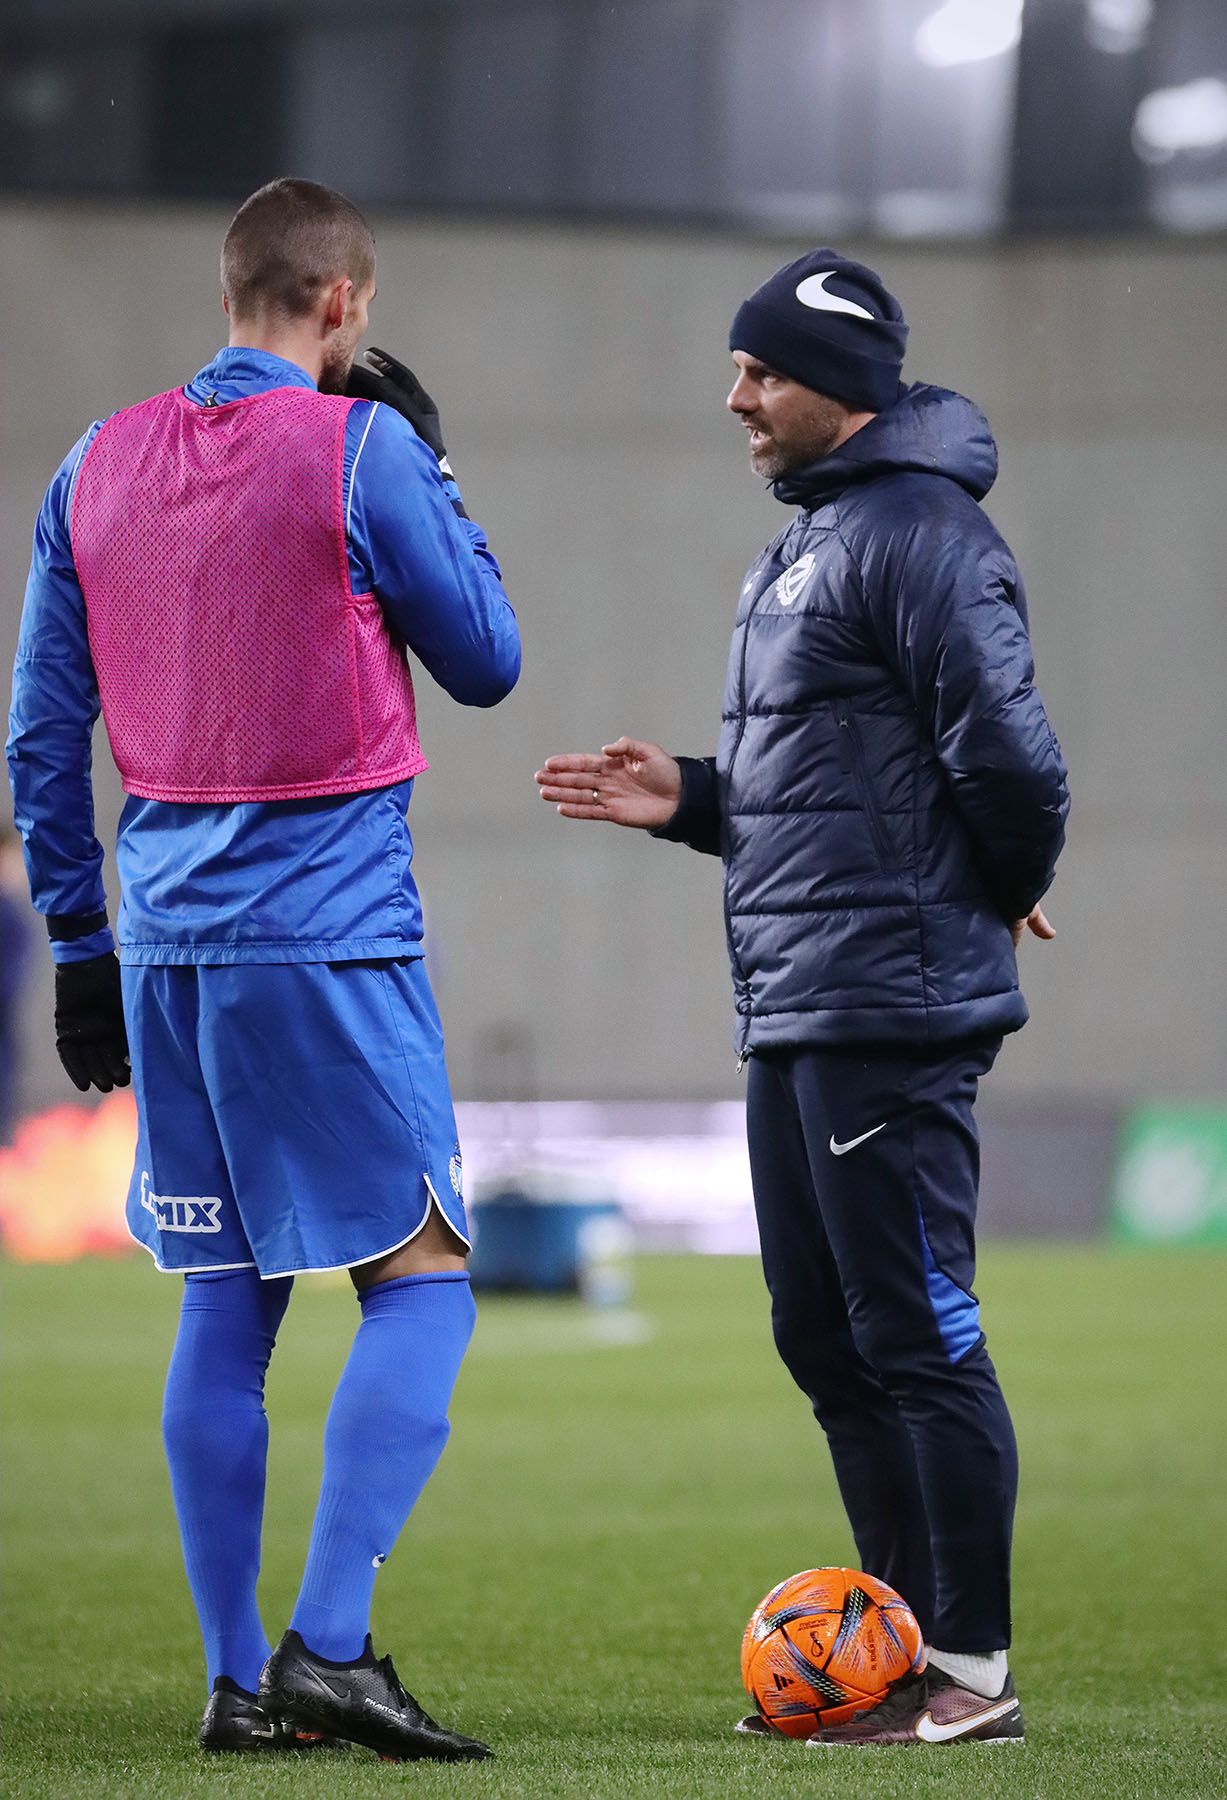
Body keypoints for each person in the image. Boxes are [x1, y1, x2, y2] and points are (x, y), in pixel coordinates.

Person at [7, 177, 520, 1761]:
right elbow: (488, 660)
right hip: (329, 937)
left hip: (165, 948)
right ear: (344, 303)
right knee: (422, 1279)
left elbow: (40, 737)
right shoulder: (363, 449)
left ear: (229, 291)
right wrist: (434, 472)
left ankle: (237, 1682)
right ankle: (330, 1649)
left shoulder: (92, 462)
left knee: (226, 1305)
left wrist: (79, 947)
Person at [536, 249, 1068, 1747]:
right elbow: (840, 789)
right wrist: (697, 800)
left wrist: (1001, 878)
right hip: (801, 999)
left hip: (891, 1001)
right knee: (823, 1342)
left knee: (920, 1335)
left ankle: (970, 1673)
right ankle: (890, 1652)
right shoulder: (812, 539)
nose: (737, 397)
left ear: (837, 385)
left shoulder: (928, 534)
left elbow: (1013, 762)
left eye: (761, 371)